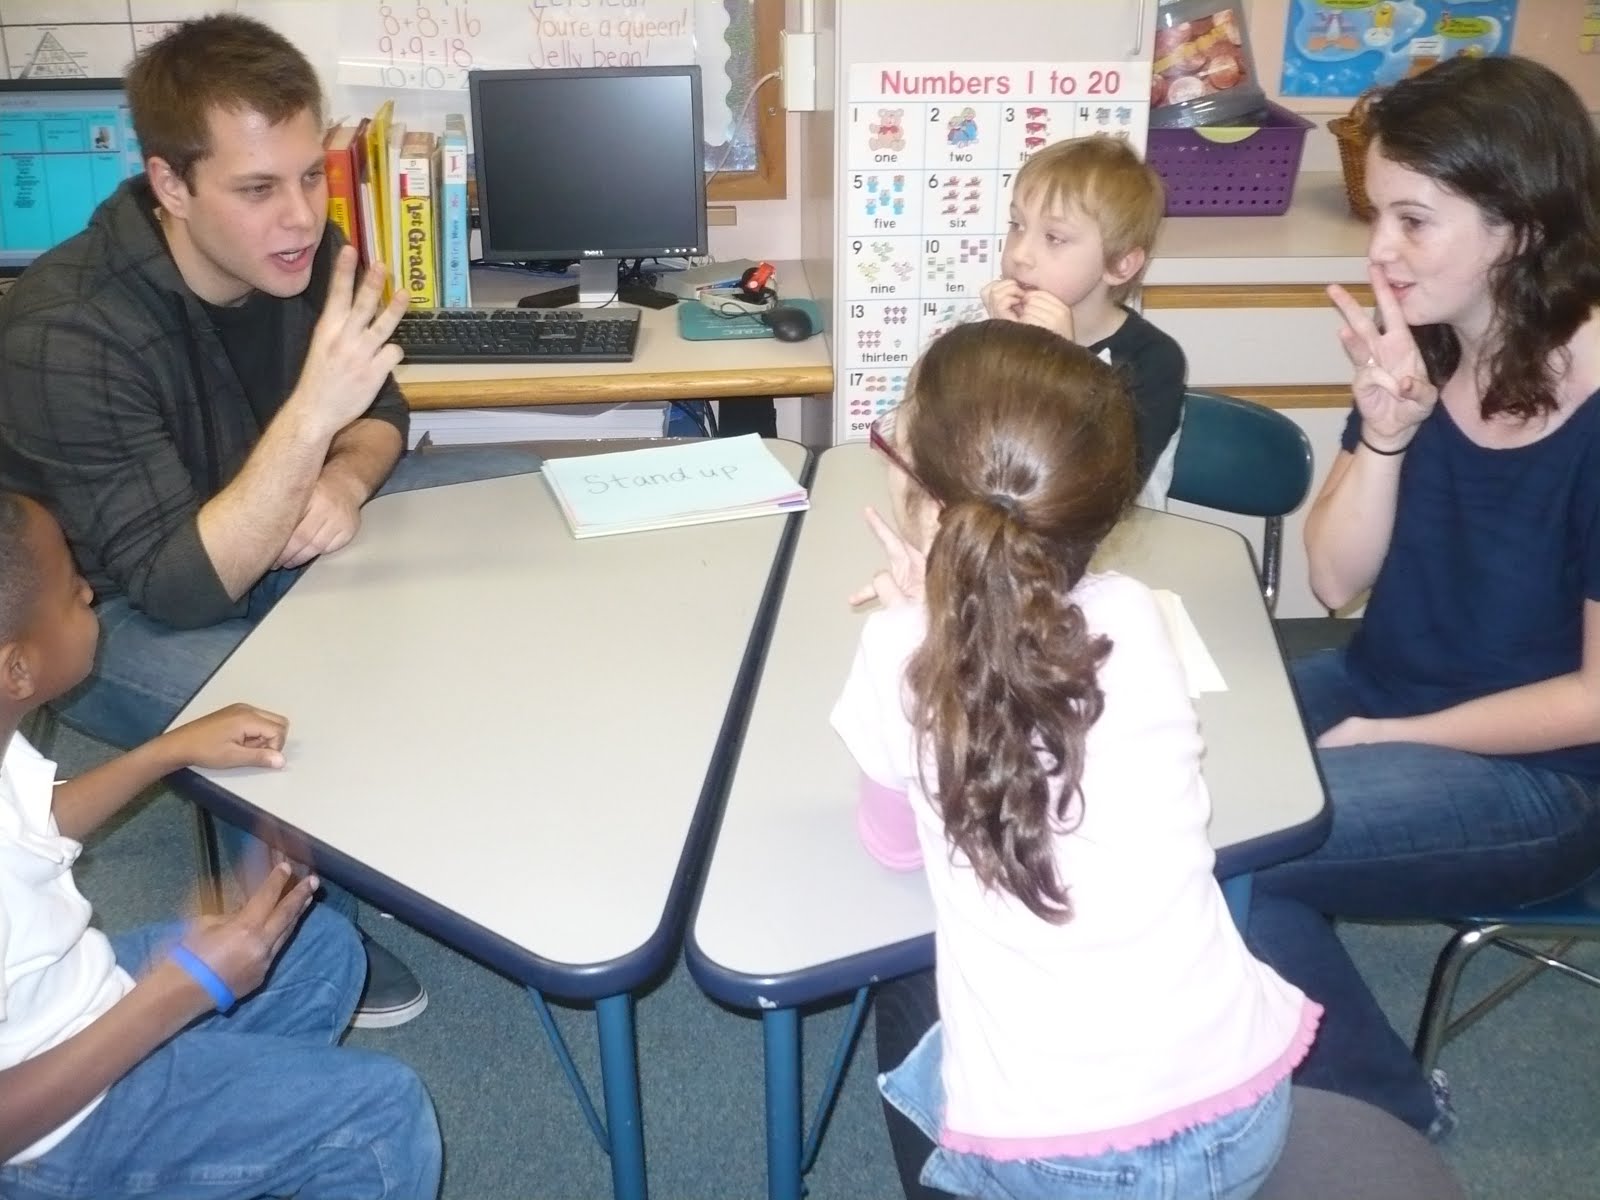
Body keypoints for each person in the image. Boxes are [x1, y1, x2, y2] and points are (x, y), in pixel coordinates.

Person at [0, 15, 539, 1025]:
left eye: (308, 177)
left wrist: (338, 482)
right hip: (113, 613)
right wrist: (309, 420)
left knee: (511, 512)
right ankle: (301, 923)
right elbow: (178, 583)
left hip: (272, 528)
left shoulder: (300, 247)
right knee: (309, 709)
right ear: (169, 186)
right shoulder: (66, 330)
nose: (298, 218)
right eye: (257, 189)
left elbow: (379, 413)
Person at [833, 320, 1320, 1200]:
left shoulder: (896, 655)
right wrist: (945, 615)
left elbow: (891, 845)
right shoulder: (1135, 611)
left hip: (1057, 1162)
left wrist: (922, 623)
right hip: (1247, 1108)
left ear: (931, 511)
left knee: (903, 976)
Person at [1243, 54, 1600, 1138]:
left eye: (1414, 220)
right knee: (1178, 745)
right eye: (1376, 216)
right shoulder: (1428, 349)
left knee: (1244, 840)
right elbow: (1333, 577)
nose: (1379, 253)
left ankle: (1385, 1118)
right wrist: (1387, 436)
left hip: (1540, 780)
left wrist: (1399, 736)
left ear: (1519, 228)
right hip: (1380, 682)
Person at [0, 491, 442, 1199]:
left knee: (320, 948)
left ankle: (209, 1157)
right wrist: (180, 990)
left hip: (64, 999)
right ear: (16, 670)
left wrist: (166, 751)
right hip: (43, 1135)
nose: (88, 589)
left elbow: (30, 823)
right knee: (379, 1117)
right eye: (70, 590)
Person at [980, 134, 1186, 506]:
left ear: (1119, 264)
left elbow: (1104, 487)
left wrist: (1063, 362)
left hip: (1115, 544)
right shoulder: (999, 330)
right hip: (1012, 534)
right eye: (1017, 225)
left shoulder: (1154, 360)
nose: (1020, 254)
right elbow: (972, 451)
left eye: (1054, 238)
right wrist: (998, 346)